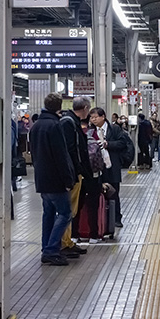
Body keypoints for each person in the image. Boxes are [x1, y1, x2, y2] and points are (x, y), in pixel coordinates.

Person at [29, 93, 76, 266]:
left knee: (48, 214)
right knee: (65, 214)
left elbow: (33, 153)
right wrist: (68, 179)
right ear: (60, 106)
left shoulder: (36, 126)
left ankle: (46, 248)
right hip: (56, 180)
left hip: (42, 179)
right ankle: (51, 250)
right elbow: (61, 156)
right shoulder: (55, 126)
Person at [59, 96, 92, 257]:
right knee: (68, 209)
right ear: (85, 108)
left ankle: (68, 241)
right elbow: (71, 150)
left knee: (71, 209)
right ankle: (64, 243)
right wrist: (77, 170)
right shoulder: (69, 122)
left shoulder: (71, 121)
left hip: (74, 172)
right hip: (72, 173)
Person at [90, 107, 125, 228]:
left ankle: (116, 218)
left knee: (113, 192)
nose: (93, 120)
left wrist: (108, 144)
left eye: (95, 117)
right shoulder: (90, 131)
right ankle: (102, 218)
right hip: (97, 167)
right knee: (97, 192)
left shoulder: (114, 129)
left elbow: (123, 143)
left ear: (103, 117)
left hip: (112, 166)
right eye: (91, 117)